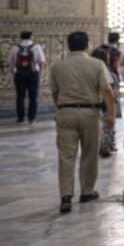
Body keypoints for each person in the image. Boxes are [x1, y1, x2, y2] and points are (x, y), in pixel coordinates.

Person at [49, 32, 115, 213]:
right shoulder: (96, 64)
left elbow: (55, 93)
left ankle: (65, 196)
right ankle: (86, 192)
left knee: (66, 156)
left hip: (65, 112)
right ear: (87, 45)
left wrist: (63, 108)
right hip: (90, 113)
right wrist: (110, 113)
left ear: (68, 46)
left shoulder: (58, 67)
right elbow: (106, 90)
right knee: (89, 154)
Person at [8, 31, 46, 124]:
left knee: (20, 96)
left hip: (19, 74)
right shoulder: (36, 47)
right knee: (33, 96)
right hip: (33, 73)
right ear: (31, 37)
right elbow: (41, 60)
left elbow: (10, 61)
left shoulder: (15, 47)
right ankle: (32, 118)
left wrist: (14, 72)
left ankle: (20, 118)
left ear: (21, 37)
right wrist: (39, 71)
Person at [90, 47, 117, 158]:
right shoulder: (110, 73)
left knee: (97, 126)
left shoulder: (89, 71)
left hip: (95, 102)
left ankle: (98, 145)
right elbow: (112, 90)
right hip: (106, 101)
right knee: (108, 124)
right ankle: (107, 145)